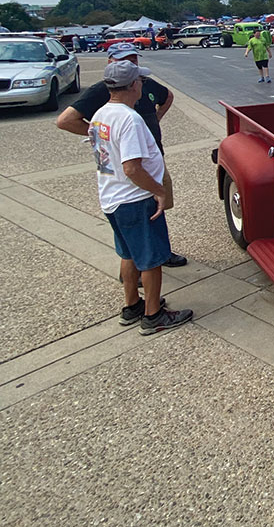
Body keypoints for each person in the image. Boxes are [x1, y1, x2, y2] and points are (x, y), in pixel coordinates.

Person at [87, 58, 193, 334]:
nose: (142, 84)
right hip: (134, 198)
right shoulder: (129, 119)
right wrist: (157, 190)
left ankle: (132, 304)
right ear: (134, 85)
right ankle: (153, 314)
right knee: (152, 258)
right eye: (140, 80)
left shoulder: (100, 114)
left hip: (112, 196)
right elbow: (132, 167)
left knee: (129, 254)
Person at [57, 44, 187, 267]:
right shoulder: (104, 90)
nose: (130, 64)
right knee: (139, 212)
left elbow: (167, 96)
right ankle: (142, 264)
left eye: (133, 59)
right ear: (110, 62)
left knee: (157, 210)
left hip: (151, 158)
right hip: (129, 166)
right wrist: (100, 135)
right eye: (123, 59)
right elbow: (65, 120)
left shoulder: (143, 82)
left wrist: (155, 120)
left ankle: (159, 252)